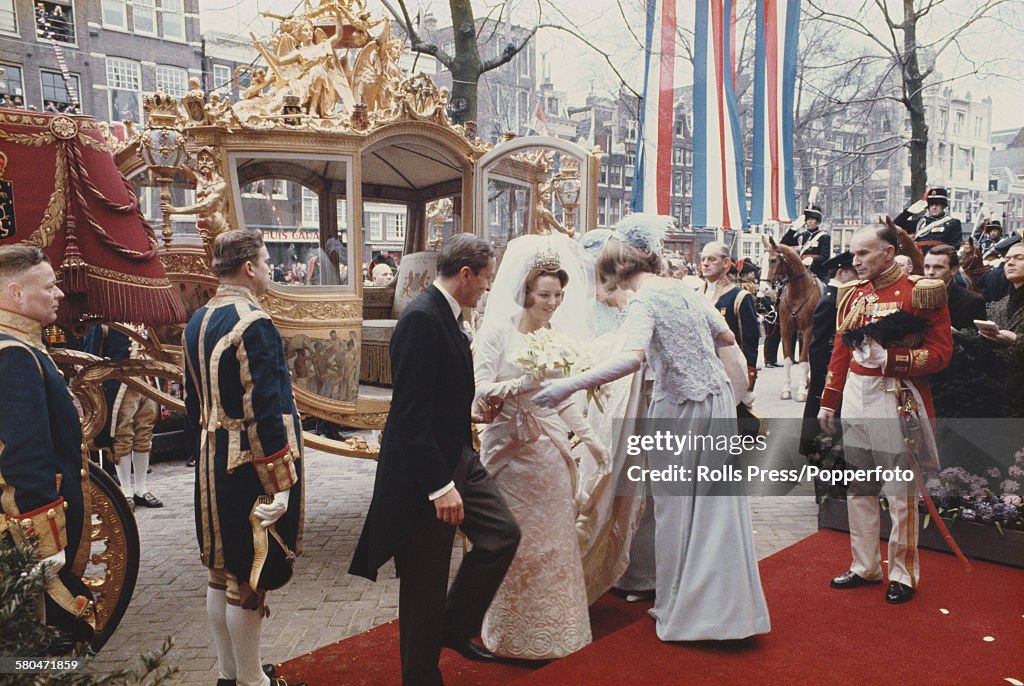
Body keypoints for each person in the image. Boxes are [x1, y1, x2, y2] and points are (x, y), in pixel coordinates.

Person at [535, 214, 771, 642]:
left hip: (679, 409)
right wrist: (737, 397)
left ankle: (682, 608)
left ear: (615, 272)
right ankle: (722, 610)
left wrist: (564, 386)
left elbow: (631, 359)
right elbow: (727, 342)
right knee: (715, 508)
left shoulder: (643, 301)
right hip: (714, 402)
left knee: (674, 509)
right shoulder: (682, 289)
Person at [349, 234, 520, 685]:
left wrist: (473, 408)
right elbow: (408, 415)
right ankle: (420, 676)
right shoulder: (422, 319)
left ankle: (454, 627)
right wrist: (439, 486)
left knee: (502, 534)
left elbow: (437, 395)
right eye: (485, 279)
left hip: (458, 452)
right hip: (428, 472)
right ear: (466, 274)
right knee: (424, 583)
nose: (487, 287)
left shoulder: (448, 314)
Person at [472, 233, 607, 659]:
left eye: (559, 295)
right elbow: (479, 390)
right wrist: (523, 383)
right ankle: (510, 632)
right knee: (516, 537)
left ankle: (558, 629)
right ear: (525, 292)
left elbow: (563, 396)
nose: (553, 303)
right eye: (545, 294)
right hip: (507, 448)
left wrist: (590, 439)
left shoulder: (554, 335)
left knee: (553, 534)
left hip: (547, 447)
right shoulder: (495, 332)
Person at [182, 231, 305, 686]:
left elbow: (195, 404)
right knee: (249, 576)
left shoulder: (198, 318)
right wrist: (279, 481)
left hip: (212, 459)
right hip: (247, 468)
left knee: (219, 572)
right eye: (267, 261)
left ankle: (227, 673)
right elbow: (265, 410)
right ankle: (254, 681)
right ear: (249, 267)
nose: (271, 269)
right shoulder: (254, 321)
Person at [819, 224, 952, 605]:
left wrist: (891, 358)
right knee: (859, 486)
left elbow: (941, 354)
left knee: (899, 492)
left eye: (863, 254)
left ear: (888, 253)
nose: (854, 261)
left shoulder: (920, 292)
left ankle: (903, 572)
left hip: (895, 394)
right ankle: (865, 566)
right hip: (856, 396)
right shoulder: (853, 294)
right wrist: (831, 397)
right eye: (853, 253)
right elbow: (841, 351)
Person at [0, 245, 95, 645]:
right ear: (17, 294)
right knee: (42, 646)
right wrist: (43, 547)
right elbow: (25, 456)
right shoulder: (14, 356)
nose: (59, 294)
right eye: (50, 286)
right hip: (27, 535)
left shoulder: (20, 347)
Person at [83, 324, 163, 509]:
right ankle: (126, 490)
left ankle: (141, 489)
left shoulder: (142, 322)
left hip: (146, 382)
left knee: (144, 435)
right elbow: (89, 359)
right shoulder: (104, 325)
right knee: (123, 436)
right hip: (120, 387)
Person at [800, 251, 858, 456]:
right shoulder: (831, 300)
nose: (859, 277)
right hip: (826, 369)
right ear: (842, 272)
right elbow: (819, 344)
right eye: (855, 272)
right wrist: (822, 375)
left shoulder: (838, 297)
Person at [700, 242, 759, 399]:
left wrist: (750, 372)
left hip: (730, 372)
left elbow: (749, 339)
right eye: (703, 259)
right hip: (700, 374)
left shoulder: (739, 297)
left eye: (712, 259)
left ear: (726, 263)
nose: (705, 263)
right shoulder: (695, 295)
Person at [923, 245, 986, 330]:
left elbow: (977, 339)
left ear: (953, 270)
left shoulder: (972, 301)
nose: (930, 272)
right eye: (927, 267)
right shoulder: (913, 296)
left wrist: (956, 335)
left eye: (938, 267)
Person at [893, 187, 963, 253]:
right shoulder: (921, 222)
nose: (934, 207)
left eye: (937, 204)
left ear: (943, 206)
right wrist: (908, 212)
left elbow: (954, 246)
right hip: (919, 258)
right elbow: (895, 225)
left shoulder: (953, 223)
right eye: (931, 204)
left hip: (939, 259)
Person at [781, 205, 832, 280]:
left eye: (812, 219)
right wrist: (793, 229)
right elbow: (784, 243)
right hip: (802, 270)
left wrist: (812, 260)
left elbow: (825, 256)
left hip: (817, 272)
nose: (809, 221)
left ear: (818, 222)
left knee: (825, 289)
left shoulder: (824, 237)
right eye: (808, 219)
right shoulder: (802, 236)